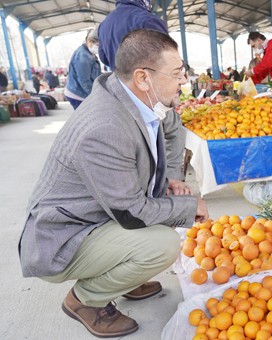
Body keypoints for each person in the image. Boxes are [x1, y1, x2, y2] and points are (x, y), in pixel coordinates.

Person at [18, 29, 209, 338]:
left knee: (161, 224)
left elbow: (174, 132)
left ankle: (126, 278)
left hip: (99, 213)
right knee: (163, 245)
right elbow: (131, 212)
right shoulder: (106, 126)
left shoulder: (138, 98)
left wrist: (173, 178)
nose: (183, 81)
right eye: (176, 74)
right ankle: (84, 301)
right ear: (143, 77)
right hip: (64, 236)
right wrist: (188, 206)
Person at [98, 0, 189, 192]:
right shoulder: (146, 19)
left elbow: (104, 58)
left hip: (121, 90)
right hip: (146, 90)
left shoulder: (105, 24)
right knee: (172, 129)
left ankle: (144, 184)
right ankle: (168, 182)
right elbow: (167, 56)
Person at [65, 29, 102, 109]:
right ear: (89, 41)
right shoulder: (83, 56)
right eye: (97, 45)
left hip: (80, 91)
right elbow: (84, 81)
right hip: (78, 94)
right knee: (88, 118)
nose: (98, 48)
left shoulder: (89, 54)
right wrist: (94, 97)